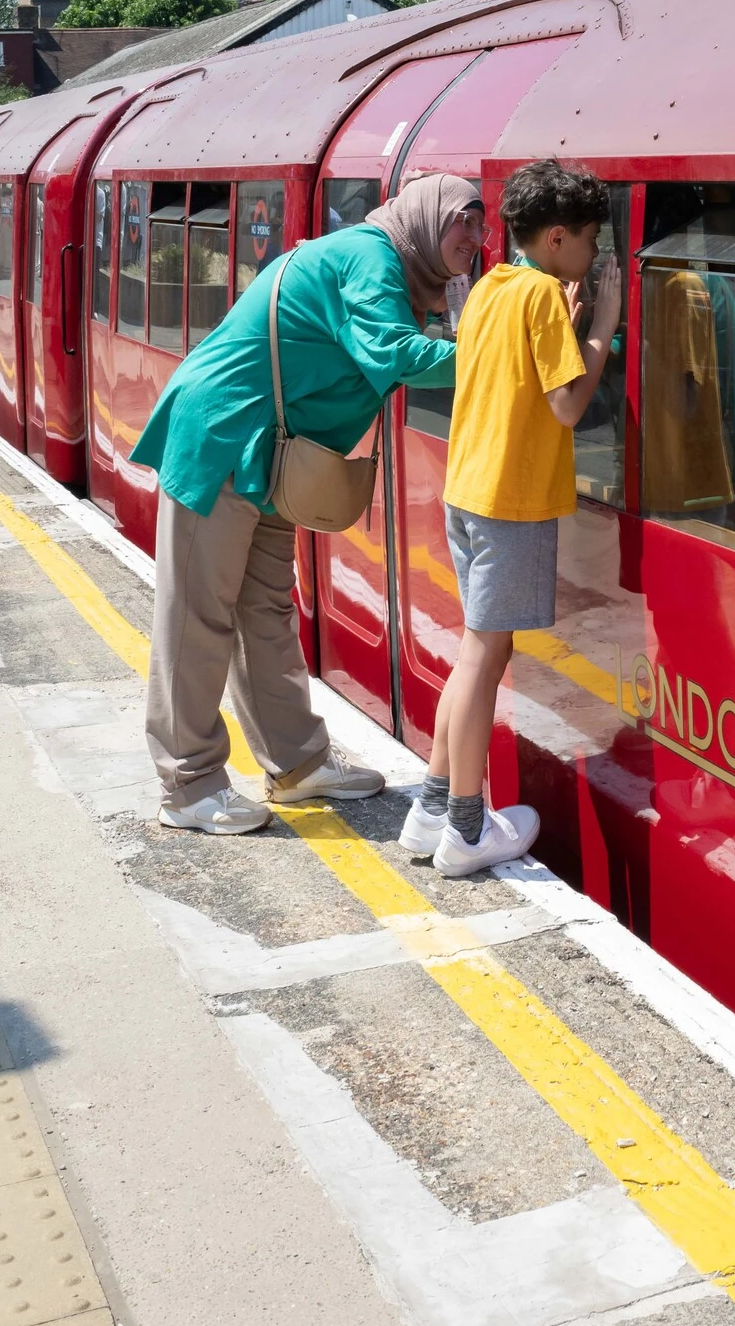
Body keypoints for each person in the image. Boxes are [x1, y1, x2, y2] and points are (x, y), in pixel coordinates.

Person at [127, 175, 483, 834]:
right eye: (464, 219)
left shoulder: (398, 269)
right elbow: (394, 353)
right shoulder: (374, 259)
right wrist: (496, 354)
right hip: (226, 436)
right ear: (428, 216)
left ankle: (296, 764)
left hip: (271, 451)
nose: (475, 237)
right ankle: (188, 782)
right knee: (197, 612)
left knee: (263, 605)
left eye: (481, 224)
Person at [402, 162, 623, 876]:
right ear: (557, 237)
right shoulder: (540, 298)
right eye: (589, 239)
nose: (594, 253)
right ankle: (466, 829)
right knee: (483, 658)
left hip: (468, 491)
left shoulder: (495, 285)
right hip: (511, 503)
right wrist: (602, 330)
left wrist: (565, 312)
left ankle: (430, 808)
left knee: (475, 653)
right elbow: (566, 406)